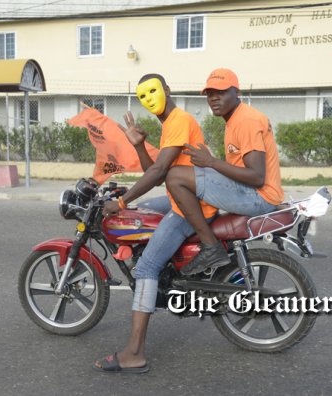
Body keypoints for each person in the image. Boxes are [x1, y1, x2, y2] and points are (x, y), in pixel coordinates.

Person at [93, 73, 218, 374]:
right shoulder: (170, 124)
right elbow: (160, 174)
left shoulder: (179, 120)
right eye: (142, 96)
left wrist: (120, 203)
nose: (148, 99)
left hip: (193, 207)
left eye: (153, 91)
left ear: (167, 89)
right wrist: (139, 145)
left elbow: (159, 170)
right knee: (143, 210)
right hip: (187, 197)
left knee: (146, 267)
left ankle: (134, 353)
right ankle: (168, 265)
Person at [166, 68, 284, 276]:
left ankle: (211, 247)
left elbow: (257, 177)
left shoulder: (246, 120)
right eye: (210, 94)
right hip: (252, 192)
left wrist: (211, 163)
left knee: (175, 177)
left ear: (236, 92)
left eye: (220, 92)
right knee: (188, 176)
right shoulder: (236, 118)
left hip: (259, 197)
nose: (214, 98)